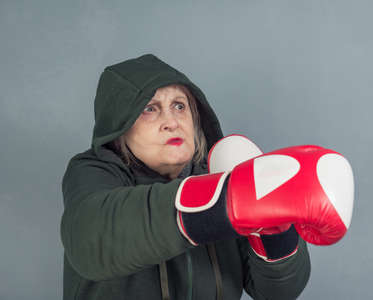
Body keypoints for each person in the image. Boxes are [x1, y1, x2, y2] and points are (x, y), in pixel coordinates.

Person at [60, 54, 312, 300]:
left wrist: (277, 232)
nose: (171, 121)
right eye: (149, 109)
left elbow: (277, 292)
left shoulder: (223, 177)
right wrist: (220, 203)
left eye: (179, 106)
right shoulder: (95, 171)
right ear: (120, 128)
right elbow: (92, 239)